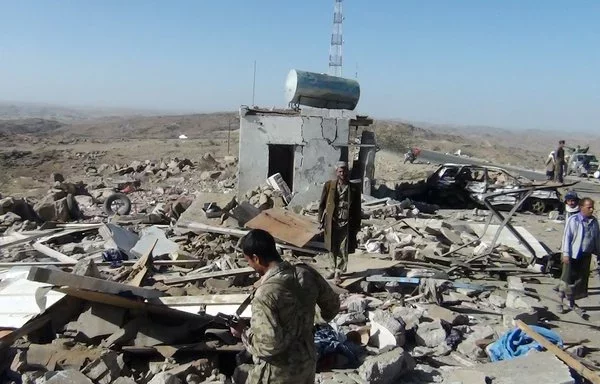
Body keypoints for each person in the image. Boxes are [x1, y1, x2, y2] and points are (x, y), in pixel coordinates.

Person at [230, 229, 340, 384]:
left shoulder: (265, 294)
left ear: (256, 258)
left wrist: (243, 332)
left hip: (278, 374)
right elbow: (333, 307)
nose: (250, 265)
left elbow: (268, 345)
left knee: (237, 376)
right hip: (307, 363)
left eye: (248, 260)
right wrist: (306, 321)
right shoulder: (306, 273)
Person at [319, 161, 362, 282]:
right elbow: (322, 204)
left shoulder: (353, 188)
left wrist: (357, 225)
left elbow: (357, 208)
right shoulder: (329, 185)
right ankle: (332, 269)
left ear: (348, 172)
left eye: (344, 171)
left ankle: (339, 271)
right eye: (340, 171)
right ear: (336, 172)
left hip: (346, 223)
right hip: (332, 221)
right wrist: (320, 221)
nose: (342, 173)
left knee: (343, 247)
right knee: (332, 246)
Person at [558, 198, 600, 314]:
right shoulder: (574, 220)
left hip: (585, 256)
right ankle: (560, 302)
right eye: (589, 207)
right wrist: (566, 254)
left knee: (579, 281)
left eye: (592, 207)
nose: (592, 210)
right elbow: (567, 237)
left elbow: (597, 239)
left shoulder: (593, 222)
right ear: (582, 207)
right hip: (572, 255)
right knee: (566, 280)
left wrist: (598, 253)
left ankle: (571, 303)